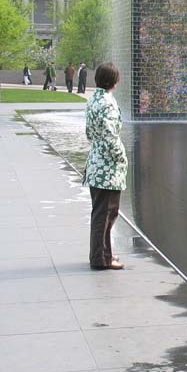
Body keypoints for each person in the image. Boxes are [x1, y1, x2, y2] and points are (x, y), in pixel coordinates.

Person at [83, 62, 128, 270]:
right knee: (106, 213)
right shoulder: (108, 103)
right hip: (107, 168)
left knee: (101, 212)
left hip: (95, 162)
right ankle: (100, 258)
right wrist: (121, 156)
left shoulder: (93, 99)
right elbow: (110, 136)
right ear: (115, 81)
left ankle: (103, 254)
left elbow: (90, 133)